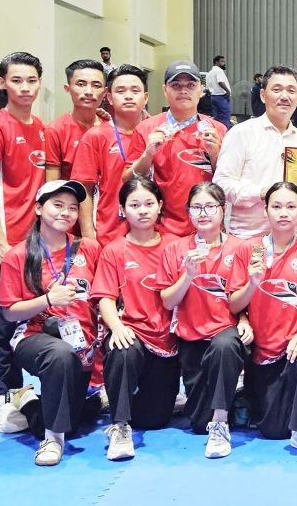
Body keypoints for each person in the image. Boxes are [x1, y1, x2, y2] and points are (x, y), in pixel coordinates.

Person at [227, 182, 297, 455]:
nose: (283, 213)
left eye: (291, 206)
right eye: (276, 206)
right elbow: (234, 303)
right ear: (266, 211)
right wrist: (251, 285)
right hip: (265, 347)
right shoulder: (251, 251)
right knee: (273, 429)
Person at [0, 179, 100, 466]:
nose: (65, 213)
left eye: (72, 208)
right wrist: (48, 299)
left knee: (78, 419)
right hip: (34, 337)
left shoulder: (89, 248)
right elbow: (10, 312)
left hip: (82, 341)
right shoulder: (19, 255)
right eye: (57, 205)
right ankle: (52, 440)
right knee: (60, 356)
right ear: (39, 208)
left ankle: (29, 402)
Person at [157, 182, 250, 458]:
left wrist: (244, 319)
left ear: (223, 210)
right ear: (188, 212)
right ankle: (236, 395)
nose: (203, 213)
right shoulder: (175, 250)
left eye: (210, 206)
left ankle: (220, 423)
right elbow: (167, 301)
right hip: (192, 337)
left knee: (224, 346)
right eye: (196, 207)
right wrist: (188, 274)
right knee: (198, 423)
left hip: (226, 332)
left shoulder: (240, 248)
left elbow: (241, 296)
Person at [0, 52, 48, 404]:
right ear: (3, 82)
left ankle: (18, 390)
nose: (24, 87)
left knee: (26, 315)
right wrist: (0, 241)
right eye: (16, 80)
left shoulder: (41, 128)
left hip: (32, 242)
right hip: (3, 242)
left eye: (31, 80)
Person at [92, 178, 179, 461]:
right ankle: (119, 425)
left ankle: (116, 401)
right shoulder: (114, 250)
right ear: (123, 209)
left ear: (160, 206)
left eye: (149, 204)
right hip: (133, 333)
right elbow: (104, 296)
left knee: (155, 419)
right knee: (121, 349)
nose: (142, 210)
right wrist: (116, 327)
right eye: (134, 205)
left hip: (169, 340)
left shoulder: (176, 246)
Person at [124, 60, 227, 238]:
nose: (183, 90)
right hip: (162, 231)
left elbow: (227, 182)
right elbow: (127, 180)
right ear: (165, 90)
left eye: (190, 85)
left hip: (208, 229)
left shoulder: (218, 130)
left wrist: (214, 153)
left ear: (201, 90)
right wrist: (148, 154)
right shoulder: (146, 129)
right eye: (176, 85)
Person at [214, 65, 297, 238]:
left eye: (291, 90)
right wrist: (261, 193)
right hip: (249, 239)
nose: (284, 96)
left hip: (292, 239)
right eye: (277, 89)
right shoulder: (241, 133)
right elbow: (221, 184)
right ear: (262, 95)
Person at [72, 64, 148, 245]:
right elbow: (84, 190)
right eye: (121, 91)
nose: (128, 96)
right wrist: (89, 235)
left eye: (135, 90)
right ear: (109, 98)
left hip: (152, 233)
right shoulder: (95, 136)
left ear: (145, 97)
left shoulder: (156, 133)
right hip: (109, 233)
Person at [45, 60, 106, 185]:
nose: (89, 91)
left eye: (96, 85)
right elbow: (52, 184)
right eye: (81, 84)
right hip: (72, 200)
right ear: (68, 88)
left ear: (105, 92)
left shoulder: (111, 126)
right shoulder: (55, 130)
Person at [206, 55, 232, 127]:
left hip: (213, 97)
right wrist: (228, 91)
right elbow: (220, 82)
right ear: (217, 62)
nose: (224, 63)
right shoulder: (219, 71)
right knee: (225, 117)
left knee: (217, 118)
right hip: (221, 97)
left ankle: (218, 134)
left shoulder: (209, 73)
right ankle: (225, 135)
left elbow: (207, 88)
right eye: (222, 61)